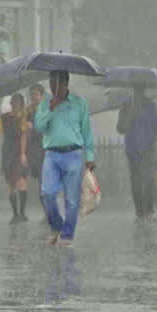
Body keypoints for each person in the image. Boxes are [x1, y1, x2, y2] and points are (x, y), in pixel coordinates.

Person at [34, 71, 96, 247]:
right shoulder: (45, 103)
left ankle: (67, 235)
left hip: (73, 155)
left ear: (66, 84)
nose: (55, 88)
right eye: (52, 84)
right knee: (48, 194)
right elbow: (39, 126)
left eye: (58, 84)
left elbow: (87, 131)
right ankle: (56, 227)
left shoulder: (79, 104)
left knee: (72, 199)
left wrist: (90, 157)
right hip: (51, 155)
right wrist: (50, 109)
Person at [117, 86, 157, 222]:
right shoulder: (126, 106)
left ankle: (149, 210)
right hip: (132, 149)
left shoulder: (150, 106)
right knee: (136, 181)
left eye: (140, 90)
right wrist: (128, 119)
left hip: (148, 148)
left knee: (149, 179)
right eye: (136, 90)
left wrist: (155, 138)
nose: (138, 93)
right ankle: (140, 211)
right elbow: (120, 128)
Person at [0, 93, 29, 224]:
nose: (15, 105)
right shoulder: (3, 118)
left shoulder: (25, 117)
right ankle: (15, 214)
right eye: (13, 102)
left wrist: (23, 153)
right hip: (8, 152)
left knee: (21, 181)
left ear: (21, 104)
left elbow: (24, 135)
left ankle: (22, 213)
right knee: (10, 184)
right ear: (10, 104)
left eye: (18, 102)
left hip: (19, 152)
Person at [27, 84, 47, 194]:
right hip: (34, 147)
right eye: (32, 95)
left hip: (47, 146)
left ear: (41, 96)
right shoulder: (28, 111)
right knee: (40, 173)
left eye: (36, 94)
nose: (33, 97)